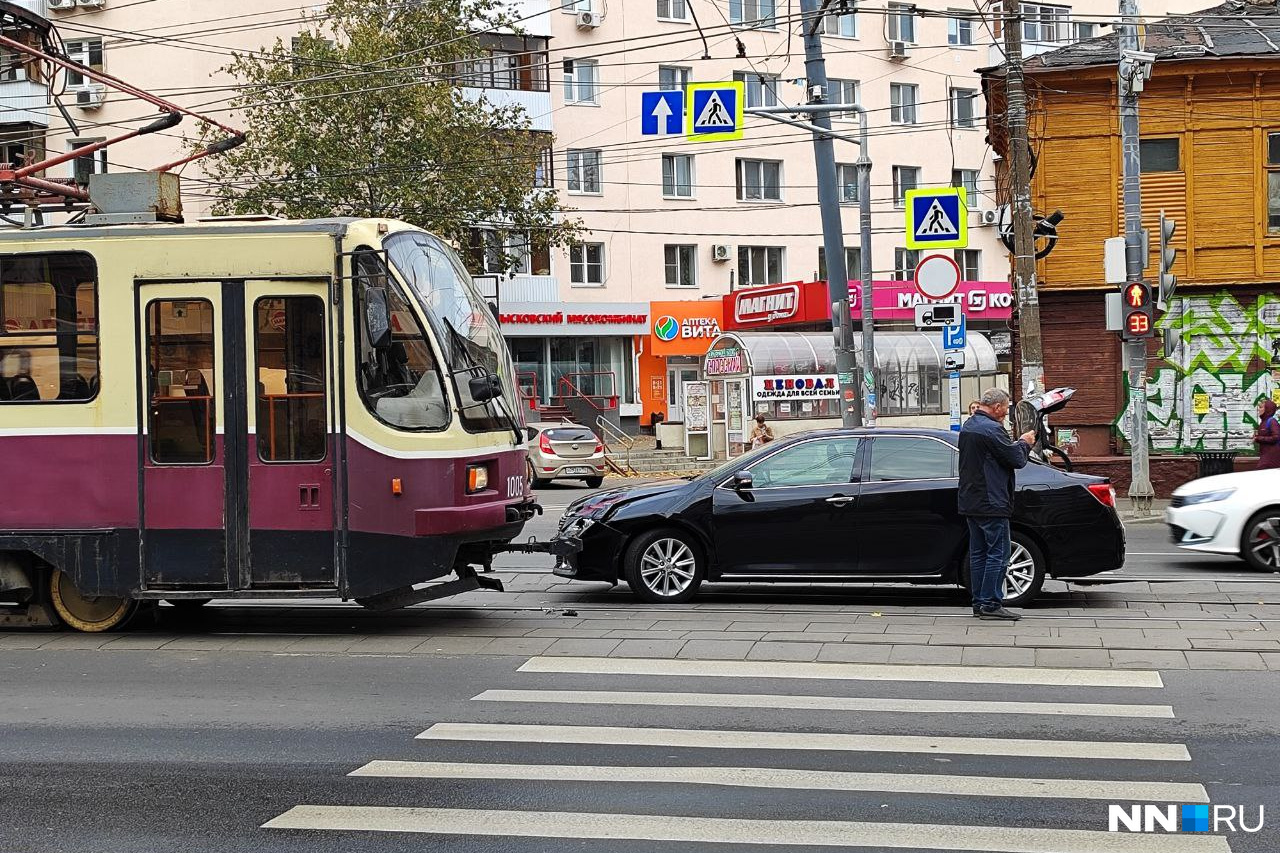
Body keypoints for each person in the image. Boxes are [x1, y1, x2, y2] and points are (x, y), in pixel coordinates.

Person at [959, 388, 1036, 621]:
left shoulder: (970, 426)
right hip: (992, 501)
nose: (1006, 414)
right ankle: (991, 603)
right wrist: (1024, 442)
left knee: (979, 553)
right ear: (997, 407)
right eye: (1005, 409)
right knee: (998, 554)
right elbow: (1016, 459)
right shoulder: (992, 429)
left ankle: (979, 602)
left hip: (971, 500)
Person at [1254, 399, 1280, 470]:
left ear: (1267, 409)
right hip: (1266, 455)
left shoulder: (1272, 421)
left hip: (1271, 457)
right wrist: (1257, 438)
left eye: (1261, 407)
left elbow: (1276, 437)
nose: (1259, 410)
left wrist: (1258, 438)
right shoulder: (1263, 422)